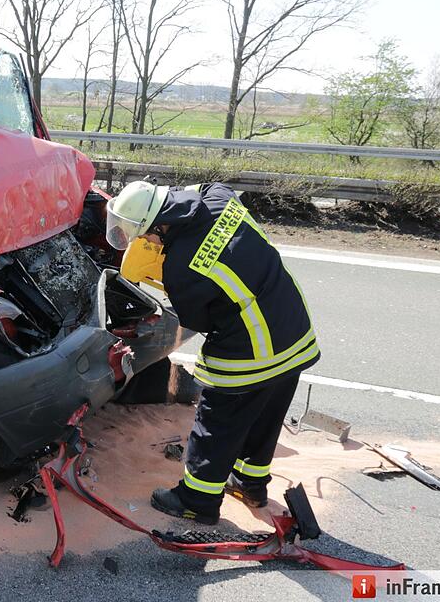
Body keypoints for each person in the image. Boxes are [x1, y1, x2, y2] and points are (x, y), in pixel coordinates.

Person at [105, 180, 320, 524]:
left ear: (160, 227)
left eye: (146, 237)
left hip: (253, 346)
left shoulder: (181, 267)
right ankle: (250, 483)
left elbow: (196, 320)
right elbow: (204, 188)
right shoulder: (218, 198)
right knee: (265, 412)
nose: (148, 243)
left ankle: (198, 500)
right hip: (293, 326)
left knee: (218, 420)